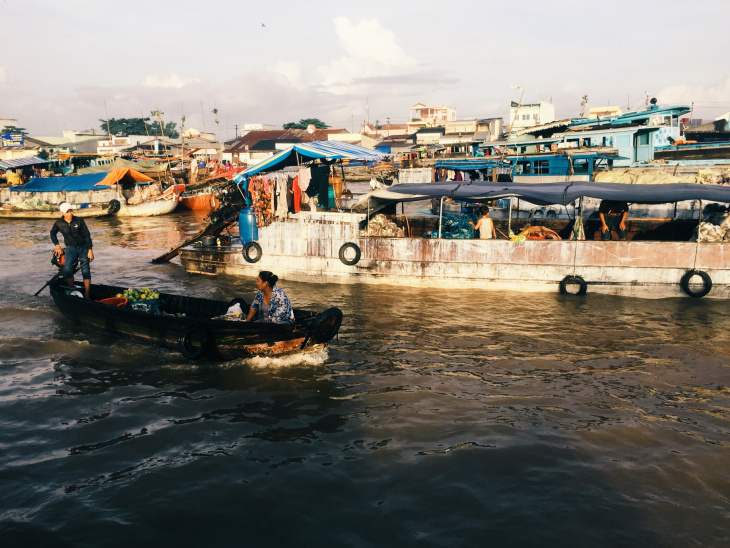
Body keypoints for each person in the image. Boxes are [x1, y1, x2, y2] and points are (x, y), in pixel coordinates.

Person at [51, 202, 94, 299]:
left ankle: (87, 294)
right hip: (70, 249)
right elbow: (52, 234)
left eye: (71, 211)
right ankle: (72, 289)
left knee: (85, 270)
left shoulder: (79, 221)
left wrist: (90, 250)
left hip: (83, 248)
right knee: (67, 270)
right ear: (62, 213)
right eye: (67, 212)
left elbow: (87, 236)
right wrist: (57, 246)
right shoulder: (59, 223)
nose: (70, 213)